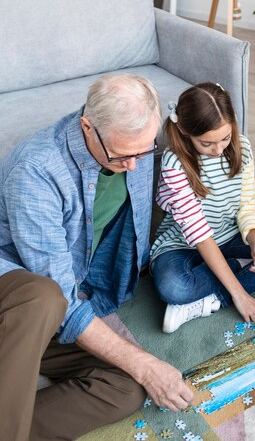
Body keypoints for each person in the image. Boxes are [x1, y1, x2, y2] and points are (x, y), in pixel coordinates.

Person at [0, 73, 193, 441]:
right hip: (17, 305)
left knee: (127, 385)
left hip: (48, 318)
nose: (135, 166)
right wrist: (146, 363)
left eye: (144, 150)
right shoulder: (37, 170)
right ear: (87, 126)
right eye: (123, 155)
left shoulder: (131, 149)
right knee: (45, 297)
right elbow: (62, 296)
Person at [150, 82, 255, 333]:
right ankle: (239, 265)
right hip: (182, 243)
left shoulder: (241, 148)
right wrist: (239, 295)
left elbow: (247, 204)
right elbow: (198, 232)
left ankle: (212, 299)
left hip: (229, 234)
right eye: (206, 144)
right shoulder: (174, 164)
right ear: (183, 130)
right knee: (174, 288)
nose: (218, 149)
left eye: (225, 138)